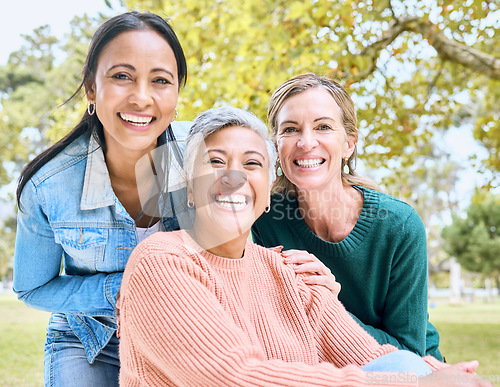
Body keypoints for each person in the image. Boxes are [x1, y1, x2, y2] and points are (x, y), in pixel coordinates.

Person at [117, 106, 488, 386]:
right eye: (215, 162)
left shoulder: (287, 270)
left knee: (406, 365)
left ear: (266, 195)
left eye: (252, 164)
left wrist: (430, 372)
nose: (234, 177)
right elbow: (235, 377)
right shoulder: (162, 261)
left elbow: (371, 357)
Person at [13, 11, 189, 386]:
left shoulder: (202, 159)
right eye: (122, 76)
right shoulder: (49, 185)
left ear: (176, 95)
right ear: (91, 89)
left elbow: (232, 248)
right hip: (90, 338)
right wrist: (121, 289)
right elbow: (32, 287)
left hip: (182, 333)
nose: (142, 97)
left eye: (160, 80)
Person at [252, 73, 443, 360]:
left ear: (348, 144)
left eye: (323, 127)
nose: (306, 142)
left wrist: (330, 307)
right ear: (276, 146)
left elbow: (409, 354)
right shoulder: (261, 219)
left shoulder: (398, 225)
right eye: (290, 129)